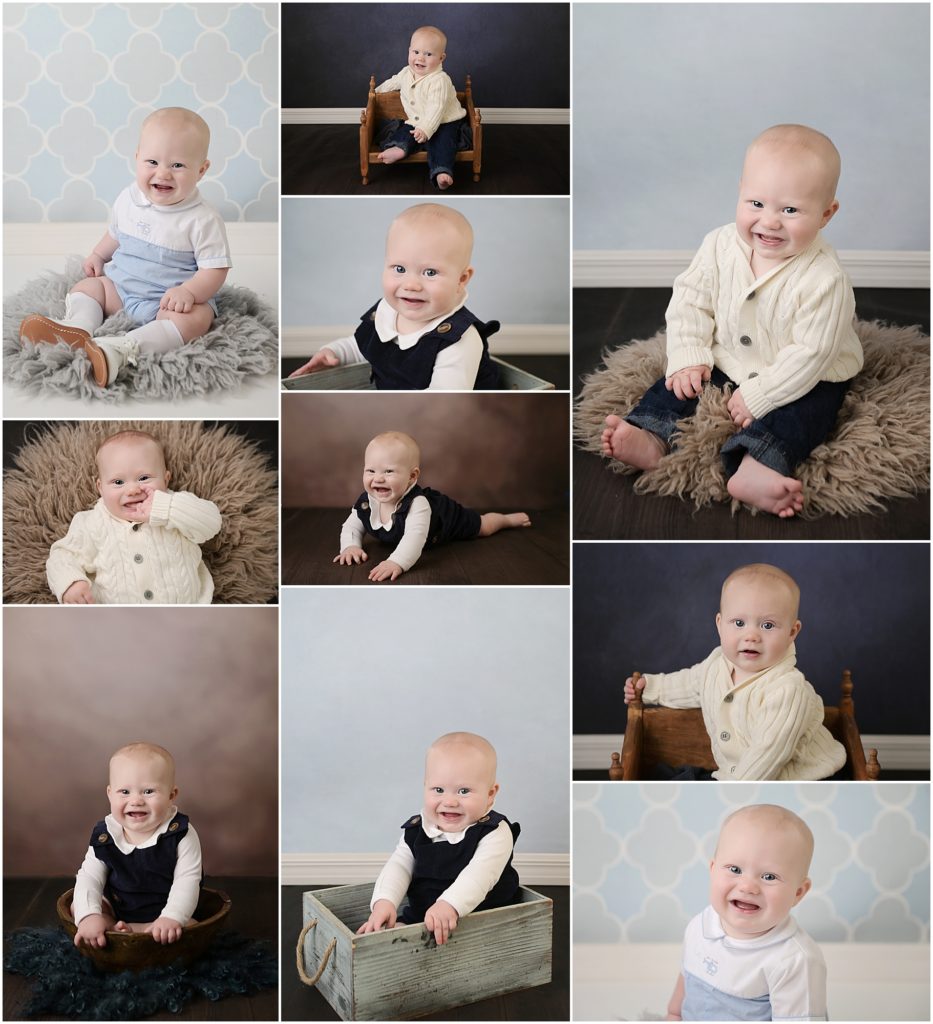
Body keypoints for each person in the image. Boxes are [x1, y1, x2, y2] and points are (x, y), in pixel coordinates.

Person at [602, 124, 863, 517]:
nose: (769, 222)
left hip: (808, 372)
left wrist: (764, 394)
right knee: (679, 385)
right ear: (740, 190)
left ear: (826, 213)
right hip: (731, 356)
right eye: (756, 203)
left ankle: (758, 466)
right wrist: (689, 354)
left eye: (790, 210)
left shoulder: (826, 279)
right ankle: (650, 435)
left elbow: (812, 354)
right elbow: (690, 301)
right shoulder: (719, 245)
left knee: (808, 411)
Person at [20, 107, 231, 387]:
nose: (163, 173)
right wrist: (98, 254)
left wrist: (189, 292)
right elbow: (116, 234)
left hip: (167, 303)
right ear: (137, 158)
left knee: (196, 319)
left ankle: (122, 348)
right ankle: (79, 327)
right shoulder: (128, 198)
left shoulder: (203, 218)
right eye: (152, 162)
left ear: (201, 170)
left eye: (178, 165)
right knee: (88, 287)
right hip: (120, 289)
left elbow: (215, 269)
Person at [624, 563, 845, 780]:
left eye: (767, 625)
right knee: (670, 778)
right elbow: (690, 684)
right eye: (739, 623)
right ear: (720, 624)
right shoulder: (717, 664)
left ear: (791, 632)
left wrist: (732, 793)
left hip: (795, 781)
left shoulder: (788, 689)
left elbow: (767, 756)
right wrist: (649, 688)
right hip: (737, 778)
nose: (751, 636)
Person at [288, 204, 500, 390]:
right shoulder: (388, 312)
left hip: (446, 414)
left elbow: (444, 402)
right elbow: (365, 345)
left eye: (430, 272)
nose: (411, 285)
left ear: (461, 279)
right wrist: (334, 352)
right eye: (399, 269)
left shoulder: (458, 339)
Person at [356, 732, 520, 945]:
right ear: (425, 786)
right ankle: (407, 933)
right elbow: (399, 866)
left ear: (490, 794)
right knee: (391, 935)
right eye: (439, 790)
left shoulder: (494, 831)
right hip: (424, 914)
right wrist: (385, 901)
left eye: (464, 791)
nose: (449, 801)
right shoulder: (418, 829)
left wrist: (449, 904)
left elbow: (479, 876)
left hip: (482, 916)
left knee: (476, 928)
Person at [666, 804, 826, 1021]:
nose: (748, 887)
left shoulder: (794, 960)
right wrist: (673, 1015)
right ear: (713, 869)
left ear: (798, 892)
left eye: (769, 877)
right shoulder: (700, 925)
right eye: (735, 869)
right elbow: (686, 980)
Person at [46, 429, 222, 604]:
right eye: (118, 482)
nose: (132, 490)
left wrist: (165, 508)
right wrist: (70, 583)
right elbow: (63, 555)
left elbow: (211, 523)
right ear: (100, 487)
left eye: (144, 478)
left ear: (166, 479)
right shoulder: (91, 522)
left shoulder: (177, 505)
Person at [335, 431, 530, 581]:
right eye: (370, 471)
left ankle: (507, 520)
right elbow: (352, 526)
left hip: (444, 519)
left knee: (484, 527)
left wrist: (396, 562)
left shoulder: (418, 504)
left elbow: (414, 538)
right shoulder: (366, 502)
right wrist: (350, 546)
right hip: (420, 529)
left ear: (412, 476)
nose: (378, 478)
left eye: (388, 471)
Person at [72, 742, 202, 948]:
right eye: (124, 791)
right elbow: (90, 877)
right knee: (80, 907)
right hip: (117, 906)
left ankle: (137, 930)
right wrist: (88, 915)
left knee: (191, 926)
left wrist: (173, 916)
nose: (136, 801)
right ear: (110, 794)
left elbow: (187, 880)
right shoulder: (106, 835)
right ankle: (110, 925)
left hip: (164, 910)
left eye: (148, 791)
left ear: (171, 795)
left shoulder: (180, 833)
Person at [374, 26, 466, 189]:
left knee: (443, 142)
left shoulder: (440, 80)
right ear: (409, 51)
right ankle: (399, 148)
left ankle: (441, 171)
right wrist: (376, 92)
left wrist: (425, 129)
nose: (420, 58)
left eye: (428, 54)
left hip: (445, 121)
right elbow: (393, 82)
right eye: (416, 52)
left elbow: (436, 108)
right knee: (406, 131)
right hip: (417, 120)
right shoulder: (406, 72)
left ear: (441, 58)